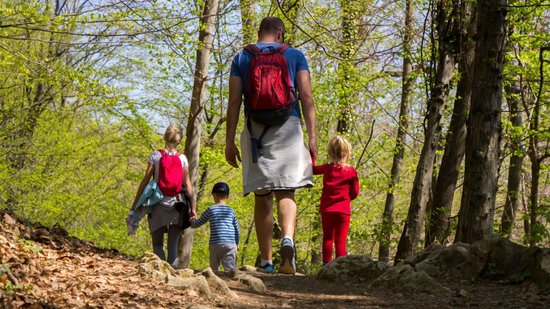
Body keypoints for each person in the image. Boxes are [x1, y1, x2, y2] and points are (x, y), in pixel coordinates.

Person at [225, 16, 317, 274]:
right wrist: (312, 138)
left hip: (257, 131)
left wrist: (229, 141)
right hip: (289, 126)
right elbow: (307, 96)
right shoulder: (295, 55)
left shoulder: (242, 57)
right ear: (280, 33)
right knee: (286, 191)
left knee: (262, 195)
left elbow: (234, 101)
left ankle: (266, 261)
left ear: (259, 32)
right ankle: (287, 239)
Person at [129, 124, 196, 265]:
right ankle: (174, 277)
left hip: (157, 204)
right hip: (177, 206)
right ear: (179, 141)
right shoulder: (182, 158)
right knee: (173, 249)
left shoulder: (155, 156)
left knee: (158, 245)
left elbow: (146, 180)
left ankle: (162, 274)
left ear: (165, 137)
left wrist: (135, 204)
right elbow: (188, 184)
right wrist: (193, 209)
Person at [312, 136, 360, 264]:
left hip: (327, 209)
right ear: (347, 153)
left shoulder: (327, 168)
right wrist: (347, 198)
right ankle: (340, 266)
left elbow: (312, 169)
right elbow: (355, 192)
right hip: (343, 211)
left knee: (328, 238)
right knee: (340, 241)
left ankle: (326, 264)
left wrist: (312, 156)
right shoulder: (351, 171)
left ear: (330, 152)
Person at [190, 182, 240, 272]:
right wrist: (237, 242)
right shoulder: (231, 211)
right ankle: (231, 283)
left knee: (214, 270)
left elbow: (196, 224)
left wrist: (192, 220)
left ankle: (215, 284)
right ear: (227, 196)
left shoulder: (211, 209)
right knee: (231, 270)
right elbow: (236, 229)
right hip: (230, 244)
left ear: (213, 195)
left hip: (215, 244)